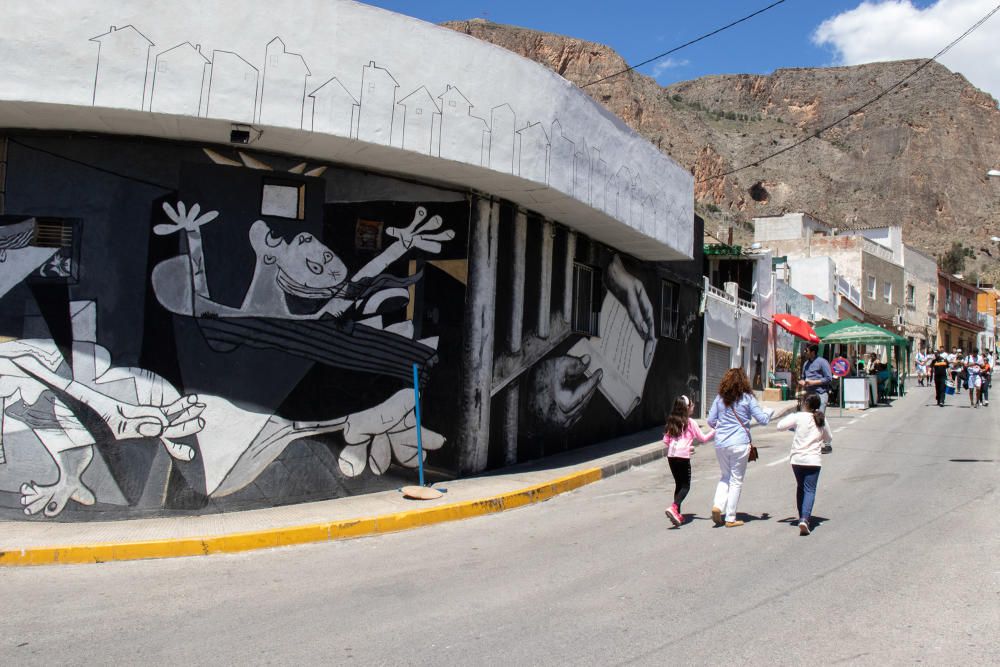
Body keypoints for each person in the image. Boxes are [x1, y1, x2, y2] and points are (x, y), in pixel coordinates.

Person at [707, 368, 772, 528]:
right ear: (744, 381)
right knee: (736, 480)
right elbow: (763, 420)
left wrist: (723, 427)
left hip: (721, 443)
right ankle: (730, 517)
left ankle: (718, 505)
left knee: (725, 476)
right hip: (740, 443)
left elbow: (710, 421)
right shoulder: (747, 398)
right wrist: (769, 412)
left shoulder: (719, 398)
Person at [776, 393, 833, 536]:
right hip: (813, 460)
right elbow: (829, 438)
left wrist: (794, 425)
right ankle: (805, 518)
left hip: (797, 460)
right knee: (810, 489)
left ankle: (802, 515)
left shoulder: (798, 417)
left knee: (801, 487)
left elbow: (780, 426)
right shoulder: (821, 419)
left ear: (805, 403)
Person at [663, 395, 715, 527]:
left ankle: (677, 514)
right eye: (691, 405)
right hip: (682, 457)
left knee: (678, 485)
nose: (693, 406)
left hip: (671, 456)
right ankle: (674, 507)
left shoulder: (671, 420)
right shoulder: (690, 422)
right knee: (686, 486)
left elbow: (666, 441)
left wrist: (685, 446)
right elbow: (703, 438)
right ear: (686, 408)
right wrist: (715, 430)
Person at [799, 344, 833, 414]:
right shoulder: (806, 364)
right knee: (806, 416)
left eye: (806, 351)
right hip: (809, 394)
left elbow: (829, 378)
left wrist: (813, 382)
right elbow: (803, 377)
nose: (805, 352)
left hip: (821, 393)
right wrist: (802, 382)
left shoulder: (823, 362)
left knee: (819, 417)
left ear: (813, 352)